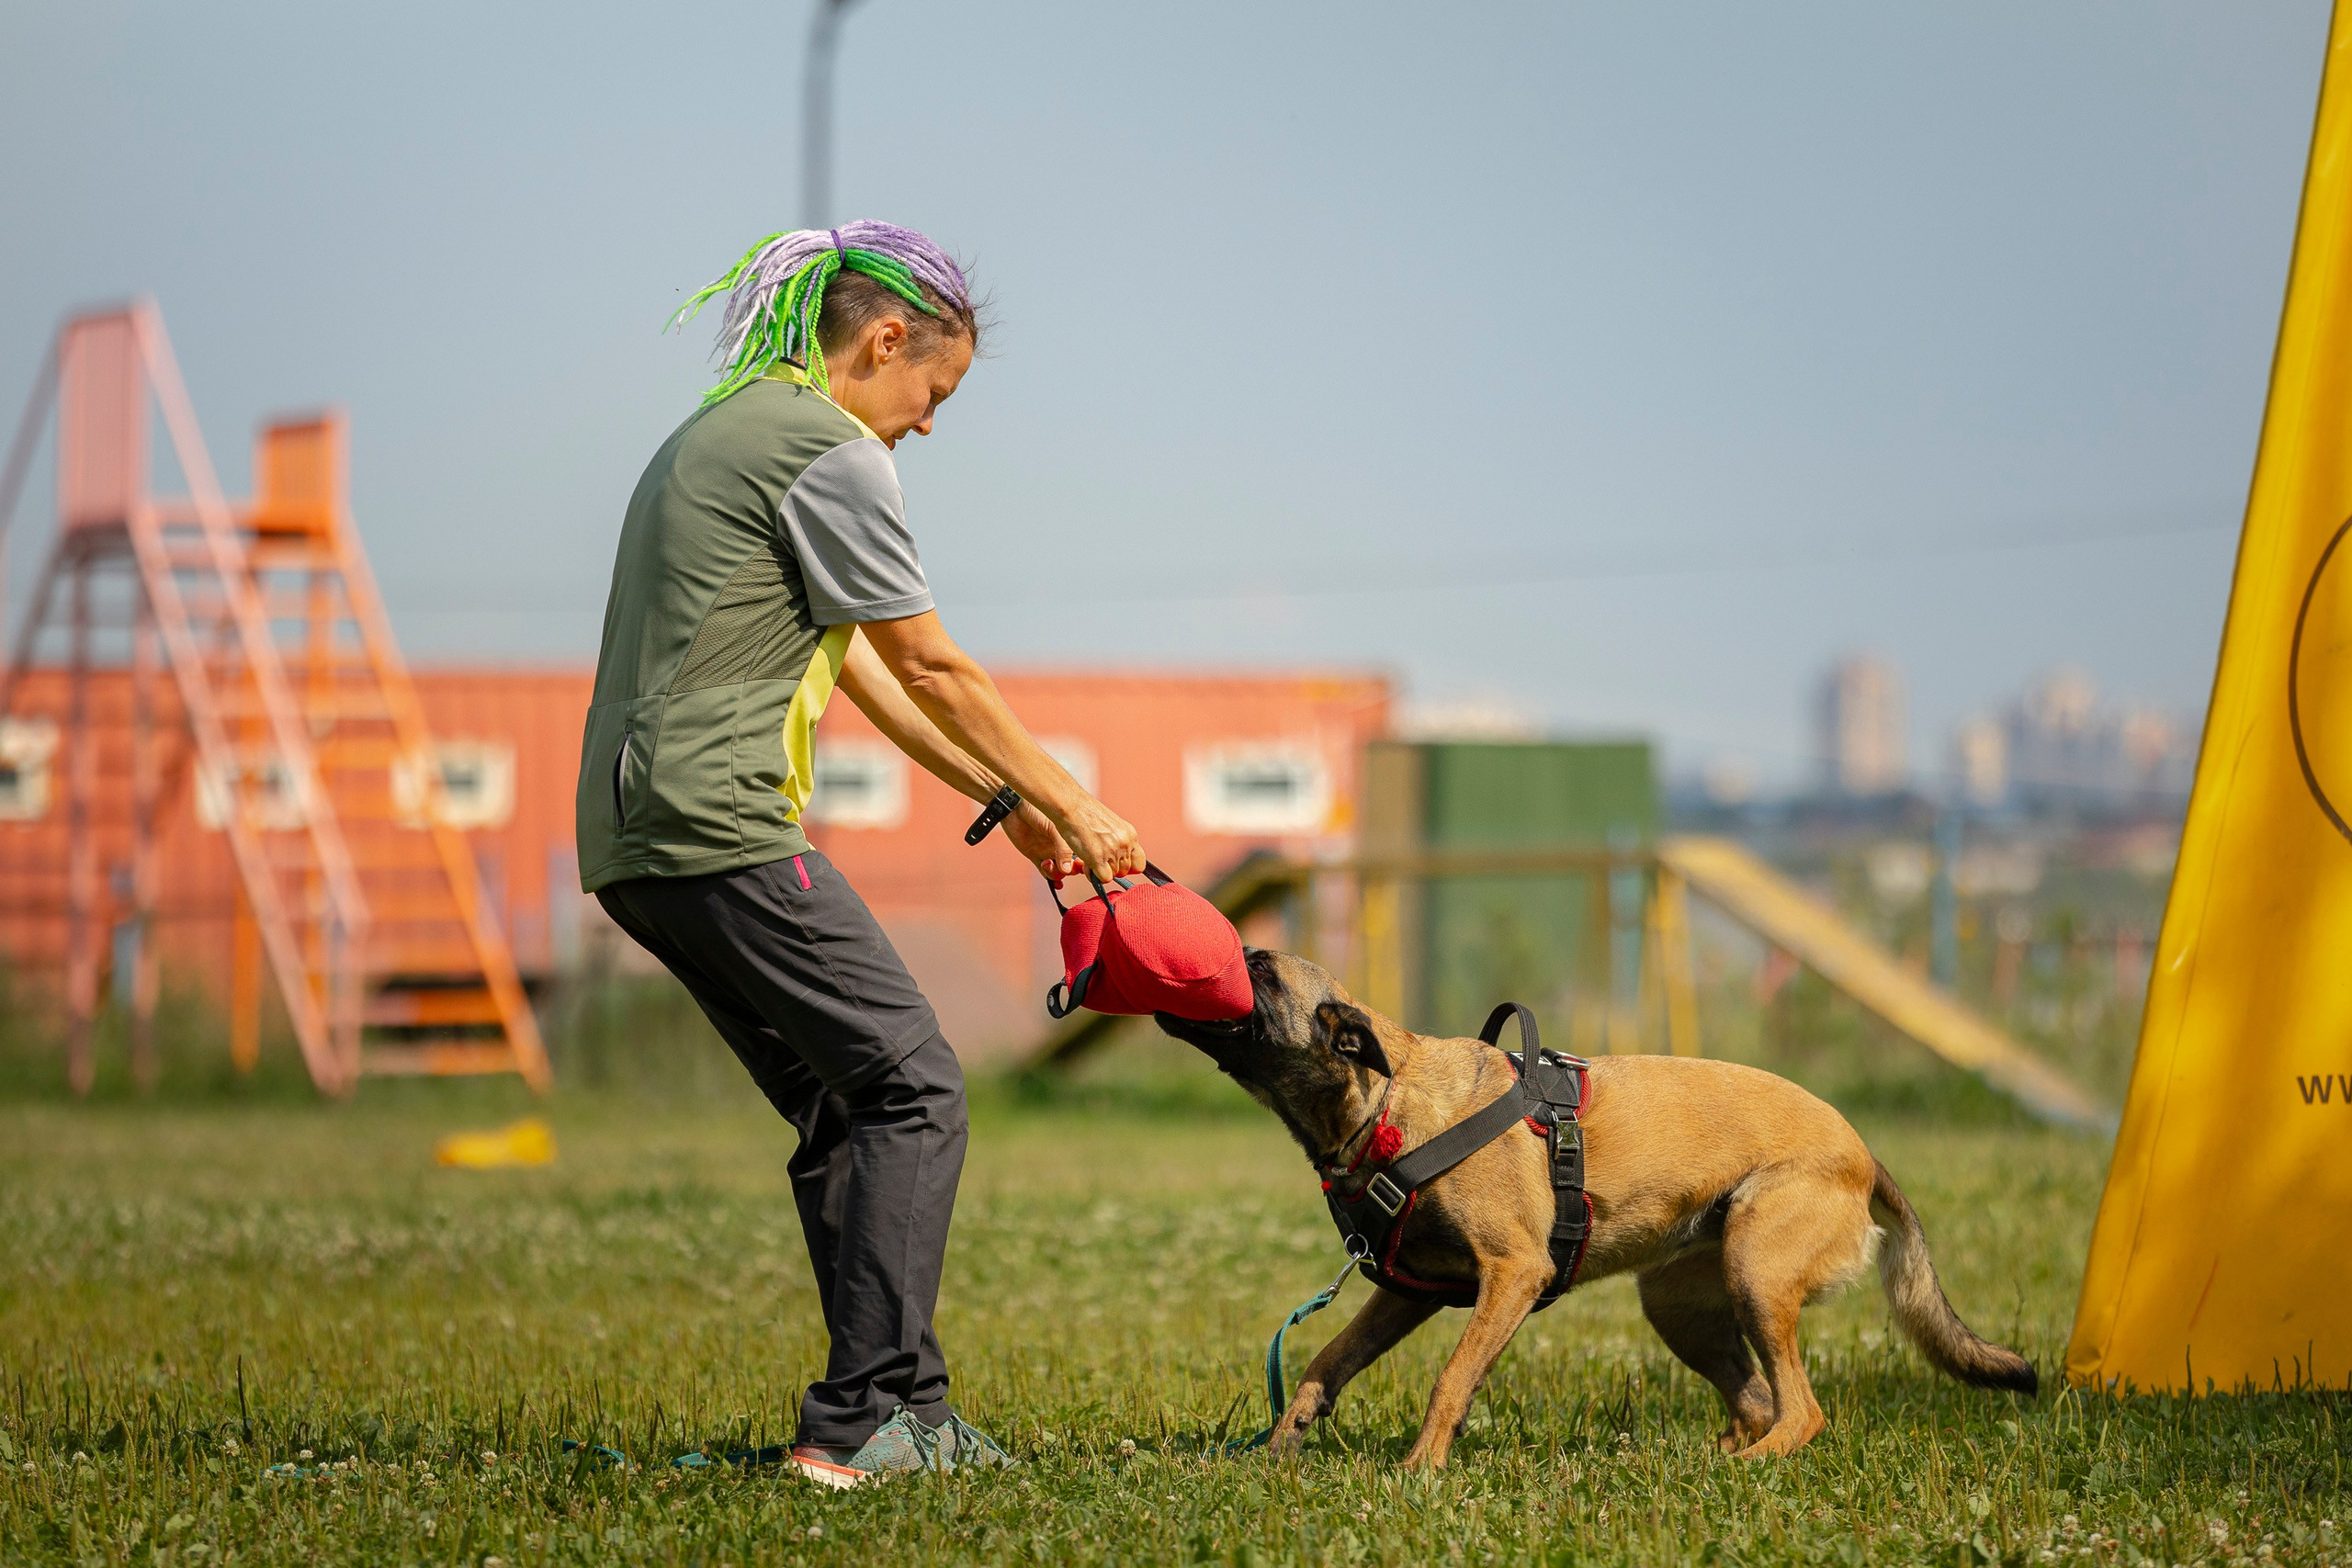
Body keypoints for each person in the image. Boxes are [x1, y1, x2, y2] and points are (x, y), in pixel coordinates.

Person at [574, 221, 1146, 1487]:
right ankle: (854, 1428)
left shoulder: (730, 428)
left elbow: (876, 673)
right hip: (718, 823)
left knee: (852, 1101)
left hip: (636, 842)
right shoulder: (826, 449)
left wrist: (1018, 806)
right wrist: (1083, 804)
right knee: (915, 1085)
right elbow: (938, 661)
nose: (931, 424)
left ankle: (912, 1416)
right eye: (934, 392)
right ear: (886, 342)